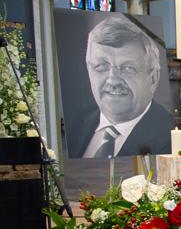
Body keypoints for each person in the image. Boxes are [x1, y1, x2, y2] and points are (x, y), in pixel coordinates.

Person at [67, 16, 172, 158]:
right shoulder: (74, 125)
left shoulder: (168, 135)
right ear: (88, 70)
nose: (113, 80)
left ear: (153, 77)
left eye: (128, 68)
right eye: (101, 66)